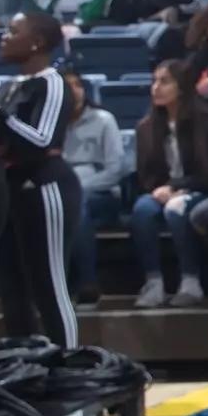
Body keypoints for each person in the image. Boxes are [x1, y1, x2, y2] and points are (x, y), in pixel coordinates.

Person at [0, 13, 81, 347]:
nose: (4, 36)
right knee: (11, 289)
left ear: (37, 42)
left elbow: (41, 140)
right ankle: (27, 371)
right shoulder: (10, 86)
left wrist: (1, 116)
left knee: (49, 286)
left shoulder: (52, 82)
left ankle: (71, 371)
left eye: (14, 31)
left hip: (46, 187)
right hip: (9, 188)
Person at [128, 60, 208, 308]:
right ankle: (153, 282)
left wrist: (177, 186)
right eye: (154, 81)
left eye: (164, 82)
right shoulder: (147, 127)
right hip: (162, 191)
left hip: (203, 189)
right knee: (142, 210)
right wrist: (161, 190)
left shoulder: (207, 121)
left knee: (176, 210)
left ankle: (190, 280)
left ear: (182, 86)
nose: (156, 88)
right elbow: (144, 174)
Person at [61, 68, 126, 307]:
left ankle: (87, 281)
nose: (75, 91)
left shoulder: (103, 120)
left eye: (78, 85)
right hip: (62, 194)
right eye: (68, 86)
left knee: (77, 205)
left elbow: (115, 170)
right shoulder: (50, 125)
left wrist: (79, 188)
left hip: (102, 195)